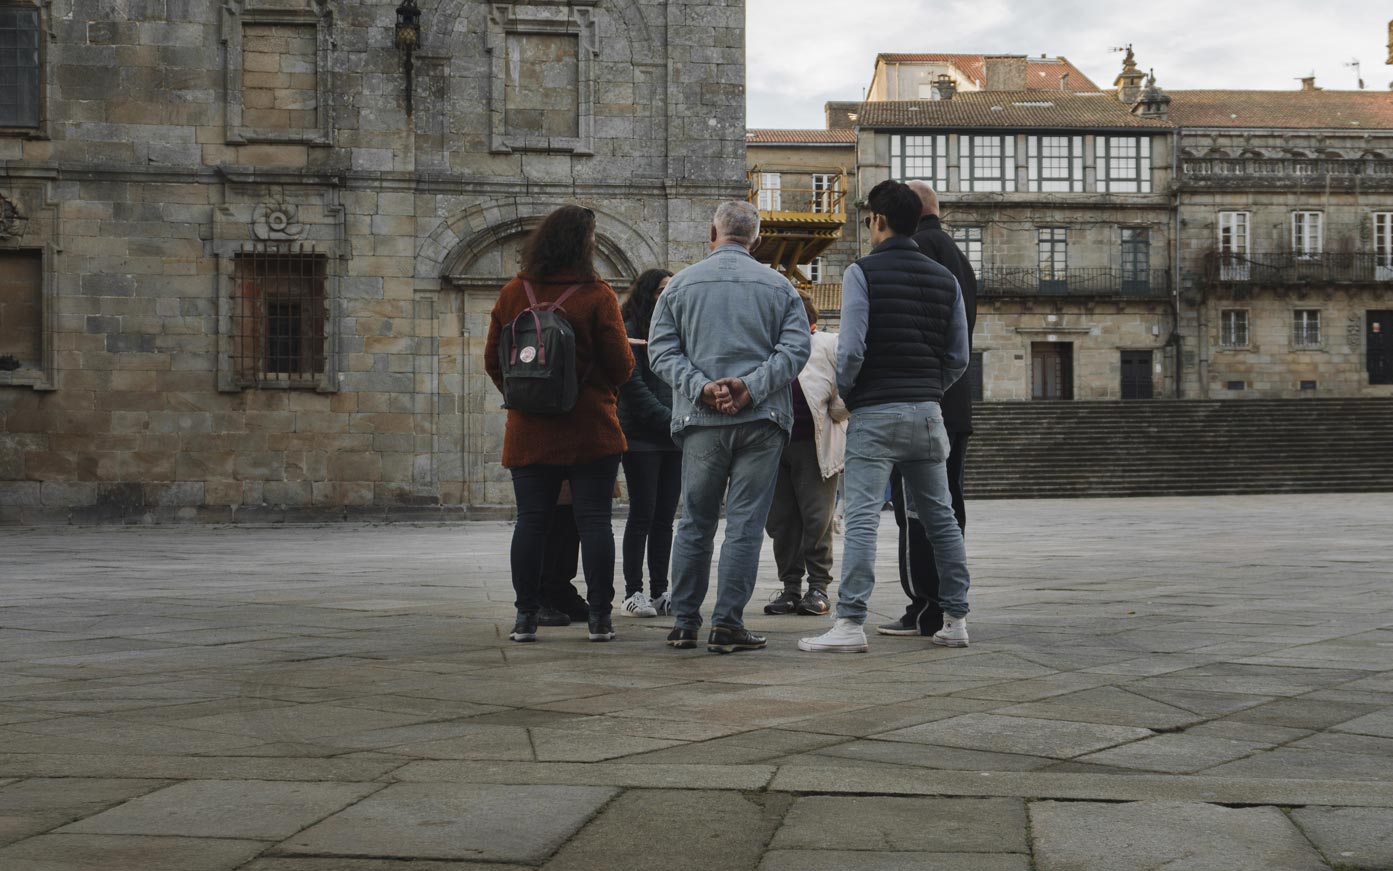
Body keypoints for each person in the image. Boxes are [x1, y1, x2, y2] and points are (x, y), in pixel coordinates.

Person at [799, 180, 972, 654]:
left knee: (861, 521)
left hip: (876, 413)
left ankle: (850, 623)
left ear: (876, 220)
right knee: (940, 518)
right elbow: (959, 355)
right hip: (928, 414)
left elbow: (851, 349)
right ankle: (955, 618)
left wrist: (853, 394)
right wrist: (932, 390)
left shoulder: (863, 272)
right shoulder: (946, 278)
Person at [648, 200, 811, 654]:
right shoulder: (780, 287)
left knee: (695, 522)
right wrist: (749, 387)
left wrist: (702, 388)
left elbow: (660, 354)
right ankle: (727, 624)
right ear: (756, 240)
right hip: (760, 419)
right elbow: (796, 351)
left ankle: (683, 621)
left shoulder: (679, 286)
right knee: (744, 524)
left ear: (711, 232)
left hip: (701, 422)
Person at [483, 205, 635, 643]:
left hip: (529, 430)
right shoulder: (597, 294)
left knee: (531, 522)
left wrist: (527, 397)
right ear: (584, 246)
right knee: (594, 523)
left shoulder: (514, 292)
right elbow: (622, 366)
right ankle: (600, 618)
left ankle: (526, 617)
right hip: (591, 428)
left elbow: (493, 360)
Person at [880, 180, 979, 638]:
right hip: (955, 401)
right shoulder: (959, 256)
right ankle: (949, 605)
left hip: (917, 396)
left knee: (913, 509)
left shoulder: (913, 249)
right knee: (948, 505)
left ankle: (924, 605)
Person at [763, 291, 849, 617]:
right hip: (775, 444)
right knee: (781, 522)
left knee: (817, 519)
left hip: (814, 445)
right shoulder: (770, 346)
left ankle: (818, 588)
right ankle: (790, 587)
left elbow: (847, 387)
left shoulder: (828, 343)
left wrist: (836, 412)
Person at [616, 268, 679, 619]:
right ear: (647, 294)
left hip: (673, 438)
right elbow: (633, 386)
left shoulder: (675, 329)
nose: (668, 297)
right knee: (642, 513)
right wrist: (669, 421)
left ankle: (660, 590)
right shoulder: (629, 331)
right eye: (661, 291)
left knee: (665, 518)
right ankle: (633, 591)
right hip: (641, 436)